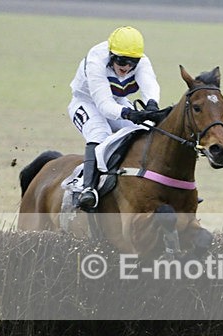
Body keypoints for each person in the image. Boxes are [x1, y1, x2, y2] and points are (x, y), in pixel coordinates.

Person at [68, 26, 161, 210]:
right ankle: (88, 189)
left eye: (132, 62)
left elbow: (150, 86)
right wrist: (129, 113)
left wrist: (152, 105)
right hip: (86, 102)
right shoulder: (96, 59)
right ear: (111, 54)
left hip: (117, 102)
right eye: (121, 60)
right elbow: (103, 105)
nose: (126, 66)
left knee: (141, 131)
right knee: (99, 134)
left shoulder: (142, 61)